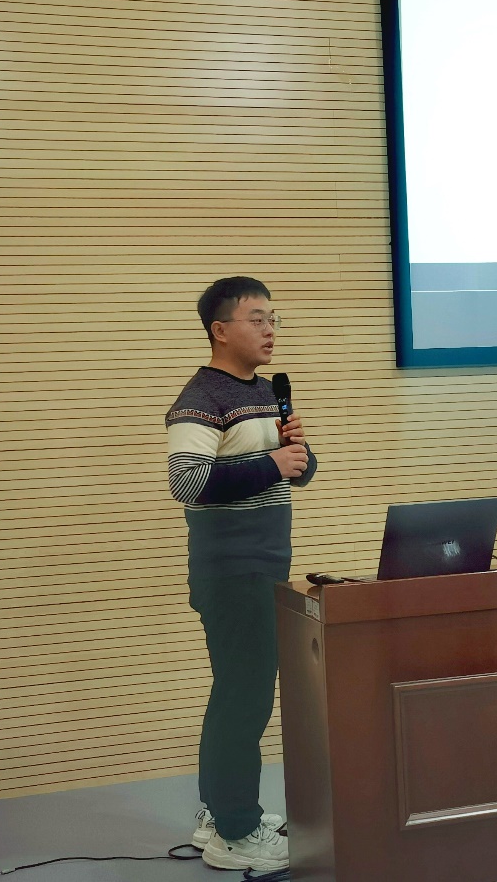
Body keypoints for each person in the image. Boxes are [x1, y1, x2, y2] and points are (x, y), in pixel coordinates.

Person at [165, 277, 316, 872]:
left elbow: (293, 471)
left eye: (273, 318)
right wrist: (272, 462)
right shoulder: (201, 398)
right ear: (220, 330)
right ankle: (236, 832)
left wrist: (296, 455)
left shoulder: (265, 393)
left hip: (263, 564)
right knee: (245, 699)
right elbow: (188, 482)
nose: (270, 330)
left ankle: (218, 814)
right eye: (257, 319)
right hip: (231, 572)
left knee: (235, 693)